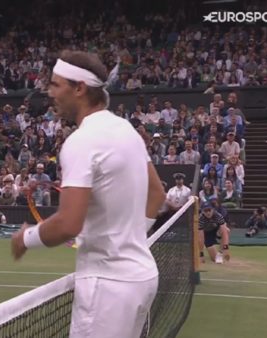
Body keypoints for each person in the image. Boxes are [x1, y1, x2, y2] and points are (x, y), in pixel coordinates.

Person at [11, 50, 167, 338]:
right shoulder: (126, 129)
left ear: (79, 88)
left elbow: (69, 224)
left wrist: (26, 238)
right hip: (141, 279)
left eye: (56, 85)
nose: (50, 92)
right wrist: (128, 236)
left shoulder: (81, 141)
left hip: (108, 289)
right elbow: (157, 194)